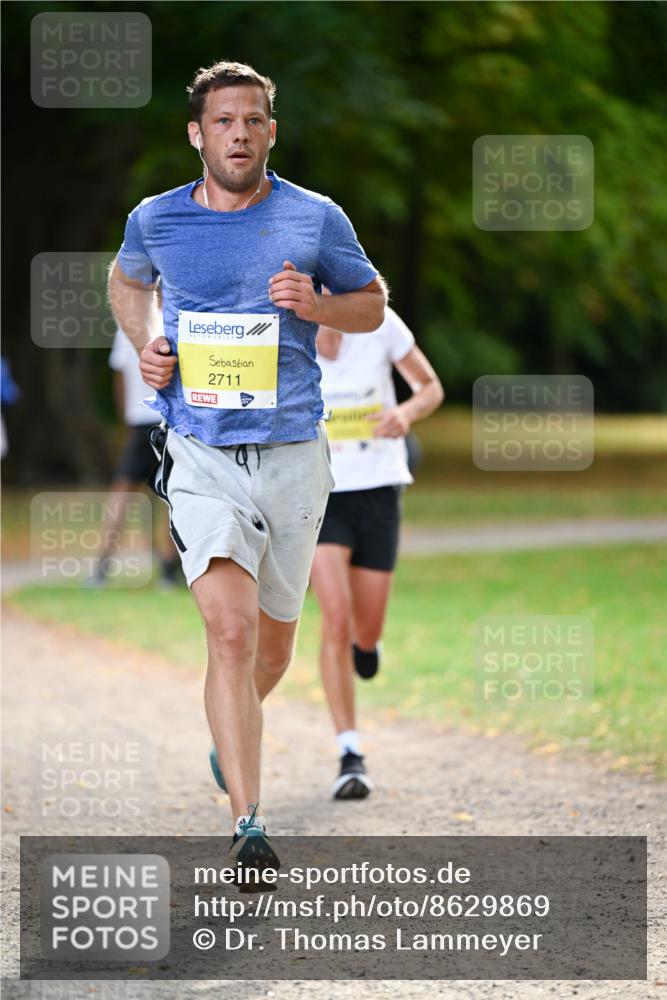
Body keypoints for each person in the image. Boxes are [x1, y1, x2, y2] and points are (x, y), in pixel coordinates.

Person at [107, 61, 386, 880]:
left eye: (253, 120)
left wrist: (316, 305)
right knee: (227, 634)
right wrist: (145, 345)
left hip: (294, 453)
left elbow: (370, 302)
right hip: (197, 450)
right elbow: (126, 283)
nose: (239, 133)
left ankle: (232, 730)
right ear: (198, 134)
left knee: (271, 650)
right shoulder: (156, 220)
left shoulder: (314, 217)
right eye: (223, 121)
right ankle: (249, 826)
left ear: (271, 131)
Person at [310, 305, 444, 799]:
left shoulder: (380, 321)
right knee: (336, 617)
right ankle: (350, 753)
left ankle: (368, 648)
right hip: (320, 493)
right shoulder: (283, 329)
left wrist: (405, 413)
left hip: (379, 487)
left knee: (364, 631)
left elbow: (430, 387)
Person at [92, 326, 181, 587]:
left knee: (122, 491)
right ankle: (168, 570)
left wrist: (126, 418)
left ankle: (101, 565)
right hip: (169, 419)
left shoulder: (127, 326)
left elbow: (119, 377)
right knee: (171, 495)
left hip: (140, 419)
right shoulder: (175, 320)